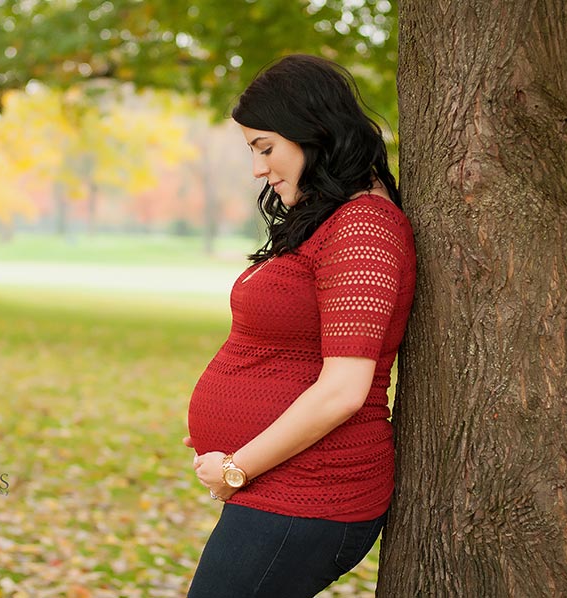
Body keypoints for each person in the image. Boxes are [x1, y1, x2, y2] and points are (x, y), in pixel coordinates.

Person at [183, 54, 417, 597]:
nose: (259, 169)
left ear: (313, 133)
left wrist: (237, 467)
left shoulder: (363, 228)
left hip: (312, 494)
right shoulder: (330, 219)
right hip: (281, 490)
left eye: (266, 148)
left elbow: (342, 391)